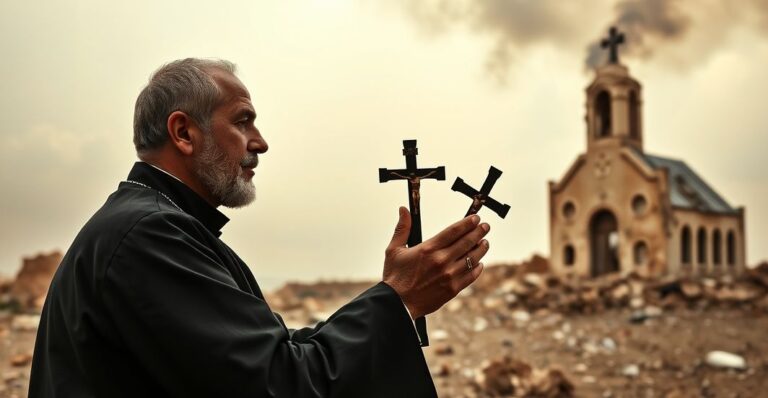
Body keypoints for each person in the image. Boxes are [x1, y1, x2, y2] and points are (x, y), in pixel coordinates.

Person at [29, 58, 491, 397]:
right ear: (184, 133)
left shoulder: (158, 224)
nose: (260, 142)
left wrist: (394, 298)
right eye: (242, 121)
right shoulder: (148, 236)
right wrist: (398, 299)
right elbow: (277, 385)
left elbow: (264, 355)